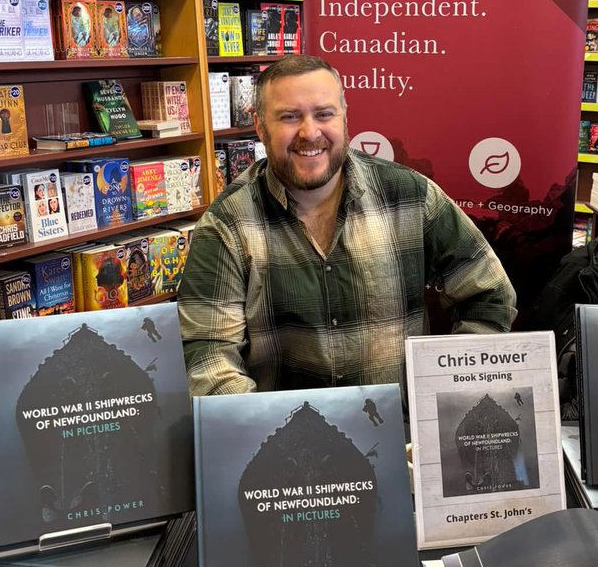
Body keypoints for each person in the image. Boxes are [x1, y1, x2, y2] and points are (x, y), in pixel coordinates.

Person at [178, 55, 516, 397]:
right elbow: (208, 356)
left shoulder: (411, 196)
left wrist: (450, 391)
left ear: (344, 117)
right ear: (260, 126)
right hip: (285, 438)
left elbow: (488, 294)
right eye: (289, 117)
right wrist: (271, 434)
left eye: (324, 114)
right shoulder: (227, 224)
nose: (310, 133)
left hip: (401, 436)